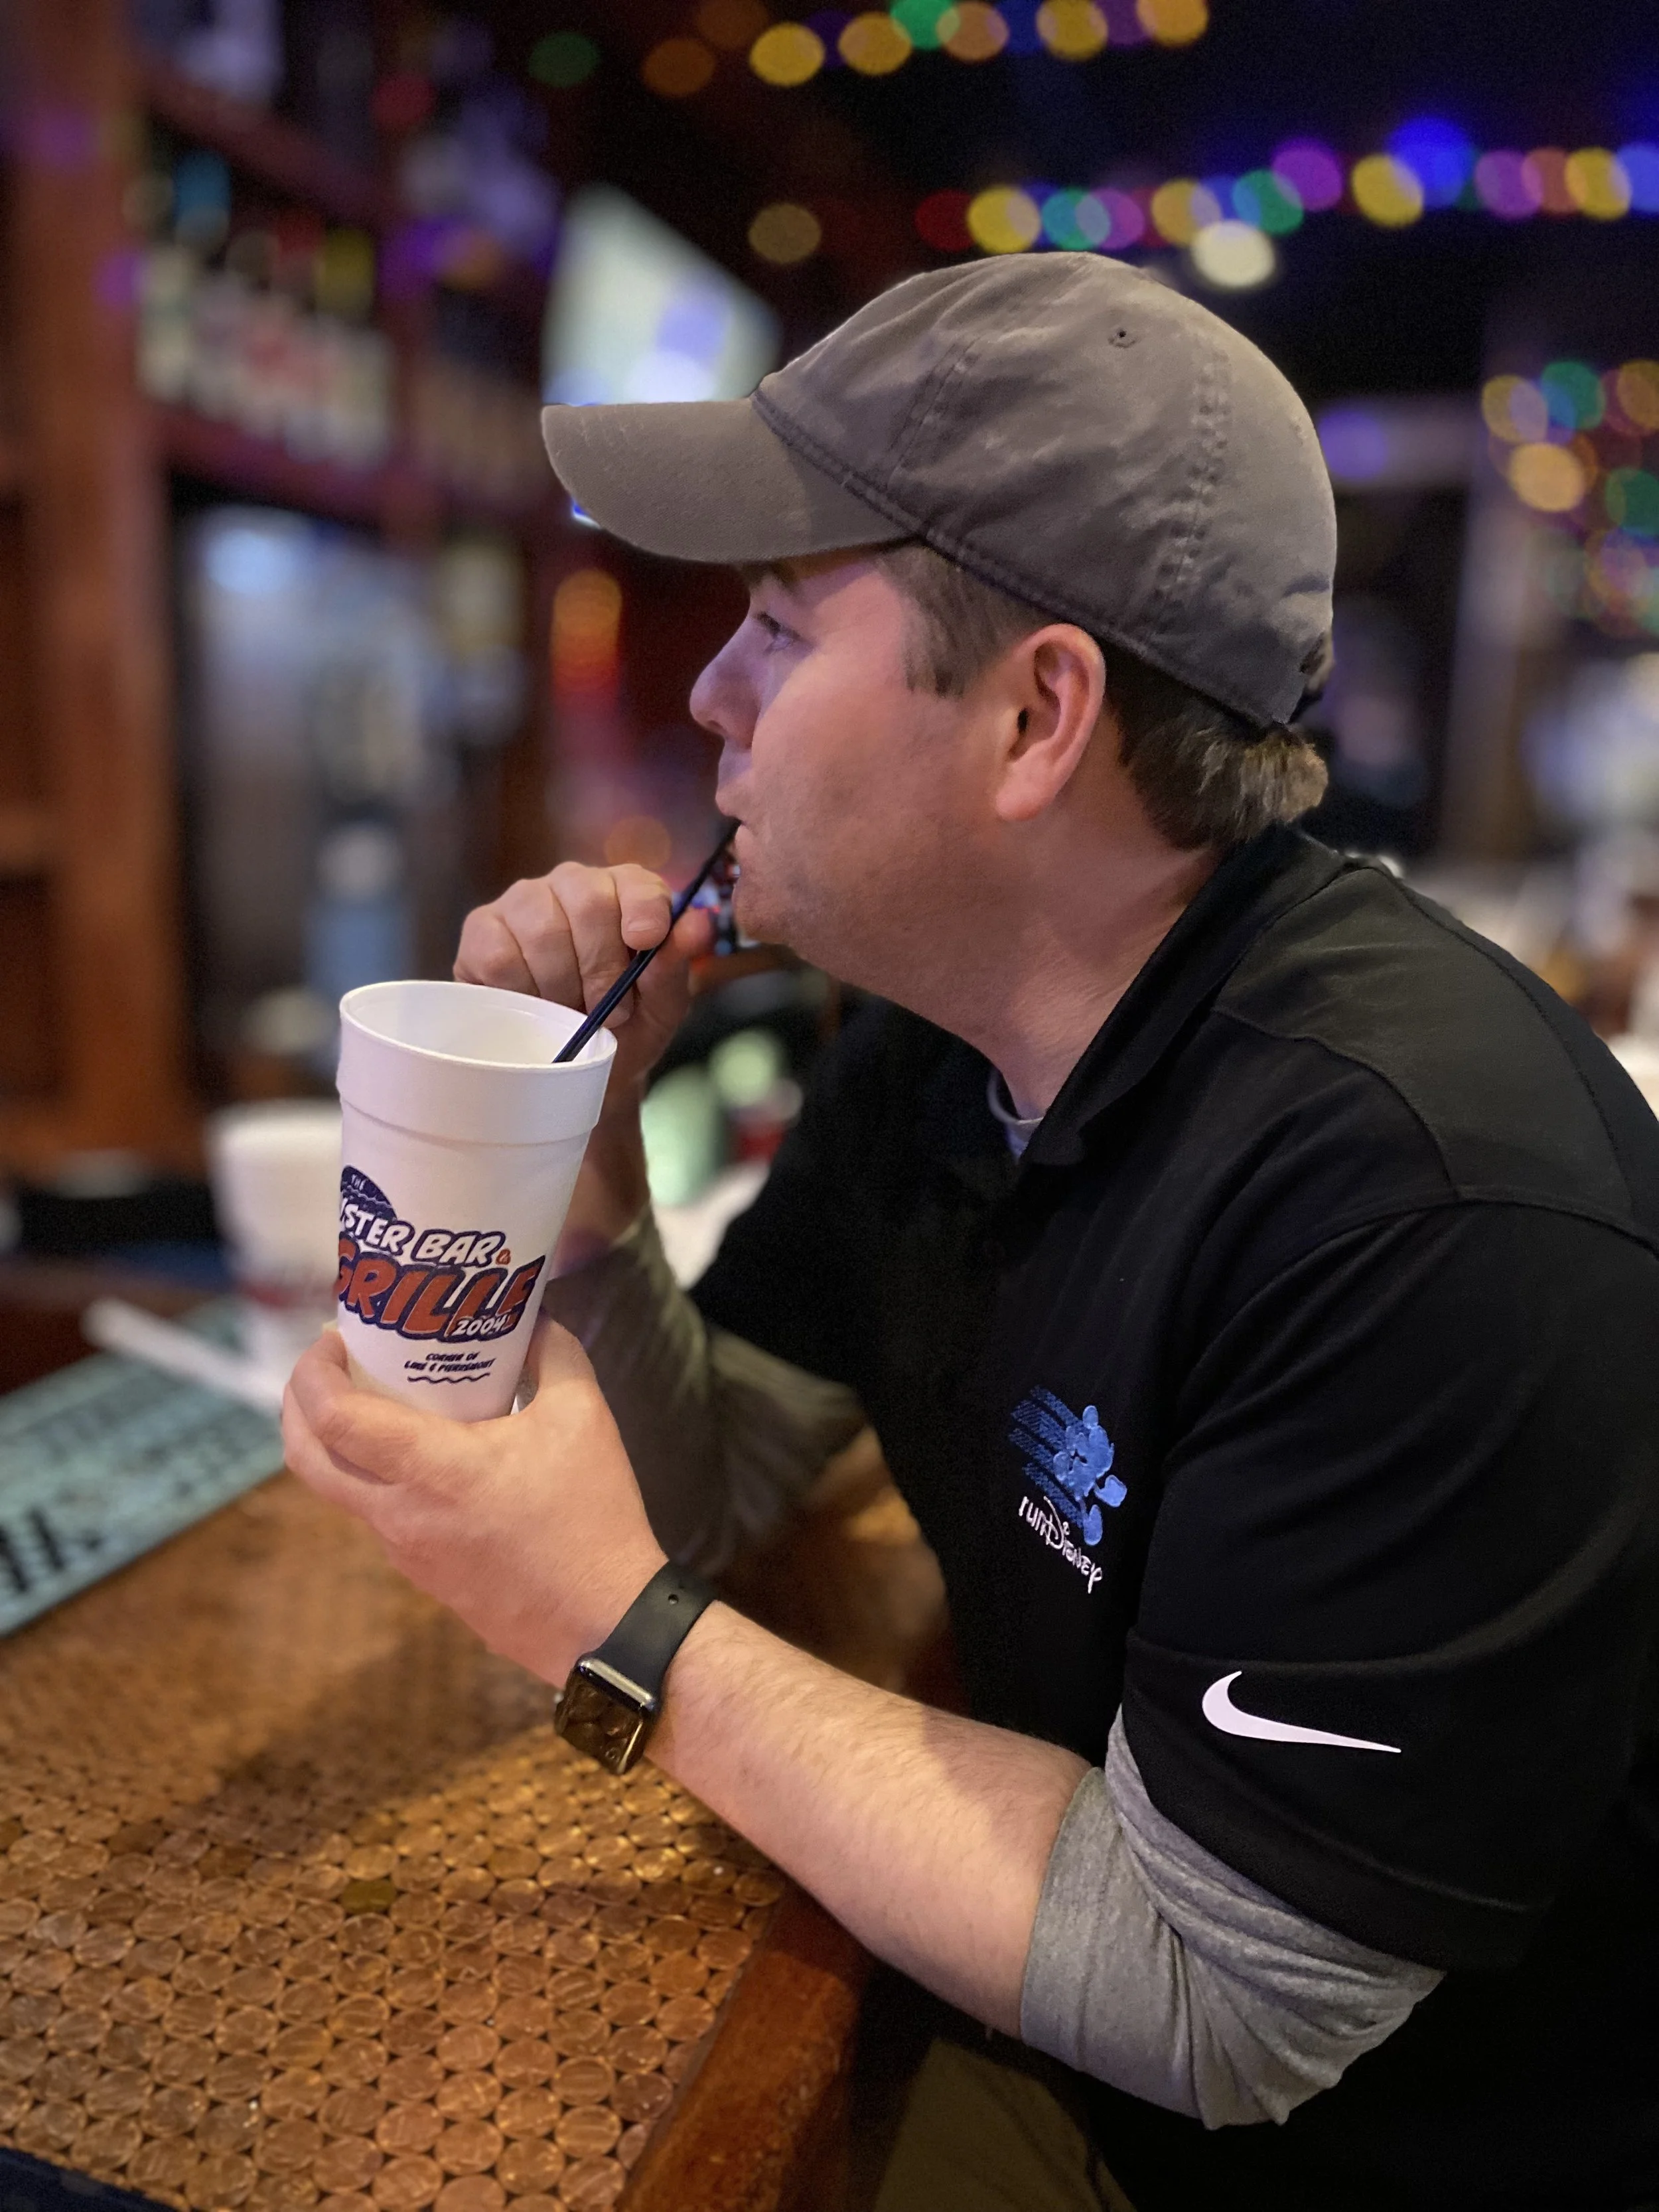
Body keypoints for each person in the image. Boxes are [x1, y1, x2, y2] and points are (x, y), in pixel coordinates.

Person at [283, 257, 1659, 2211]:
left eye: (772, 627)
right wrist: (573, 1165)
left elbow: (1229, 2001)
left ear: (1034, 715)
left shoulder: (1423, 1201)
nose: (703, 696)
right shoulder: (937, 1042)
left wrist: (619, 1629)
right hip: (1051, 2048)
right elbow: (719, 1478)